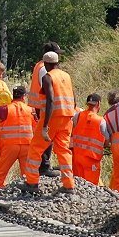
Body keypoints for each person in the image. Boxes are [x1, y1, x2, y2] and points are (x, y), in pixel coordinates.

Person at [22, 51, 76, 194]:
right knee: (63, 151)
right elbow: (74, 99)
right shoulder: (67, 76)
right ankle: (68, 185)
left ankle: (32, 182)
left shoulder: (48, 77)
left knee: (35, 149)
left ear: (46, 64)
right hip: (67, 118)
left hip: (52, 119)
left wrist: (45, 125)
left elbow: (50, 100)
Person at [0, 85, 35, 195]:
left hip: (10, 146)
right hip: (27, 145)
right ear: (24, 97)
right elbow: (36, 125)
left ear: (13, 95)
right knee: (27, 173)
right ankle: (28, 193)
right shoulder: (30, 110)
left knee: (1, 171)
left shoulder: (5, 109)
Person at [27, 41, 63, 178]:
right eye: (57, 55)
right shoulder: (44, 69)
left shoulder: (39, 66)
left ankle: (44, 165)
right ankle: (45, 166)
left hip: (40, 106)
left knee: (45, 136)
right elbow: (49, 93)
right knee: (46, 136)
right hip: (44, 107)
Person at [70, 93, 107, 186]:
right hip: (91, 160)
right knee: (91, 187)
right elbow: (108, 140)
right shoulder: (100, 121)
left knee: (79, 185)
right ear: (98, 104)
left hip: (77, 157)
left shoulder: (77, 116)